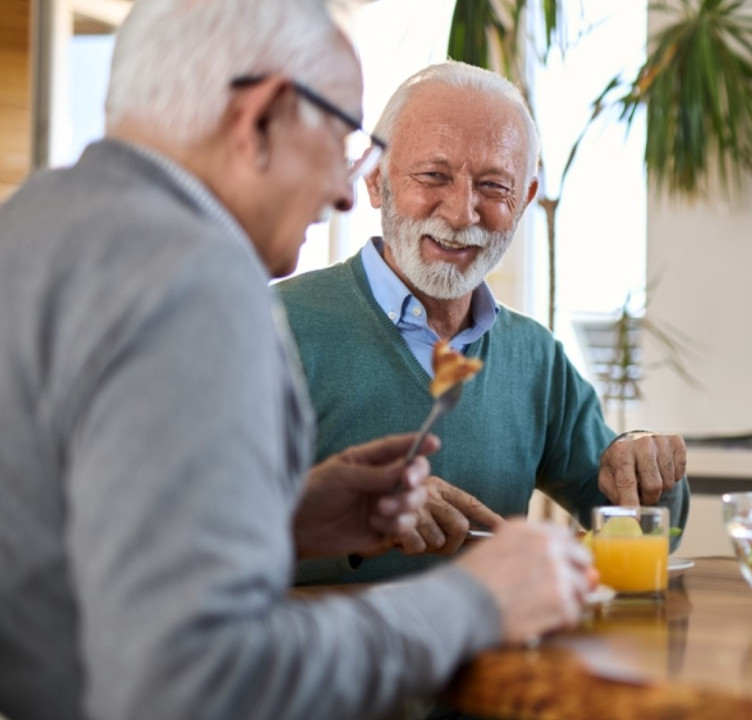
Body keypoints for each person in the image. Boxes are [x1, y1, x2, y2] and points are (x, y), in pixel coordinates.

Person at [0, 2, 593, 719]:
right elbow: (194, 682)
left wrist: (280, 519)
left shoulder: (34, 224)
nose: (347, 189)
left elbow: (59, 549)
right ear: (263, 117)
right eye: (341, 138)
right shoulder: (198, 281)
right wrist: (472, 602)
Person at [276, 61, 690, 583]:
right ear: (377, 180)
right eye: (434, 176)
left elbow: (640, 525)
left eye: (493, 186)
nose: (461, 213)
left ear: (524, 202)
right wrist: (352, 514)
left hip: (498, 658)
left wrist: (650, 468)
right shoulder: (271, 327)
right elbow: (193, 529)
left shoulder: (534, 357)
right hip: (319, 658)